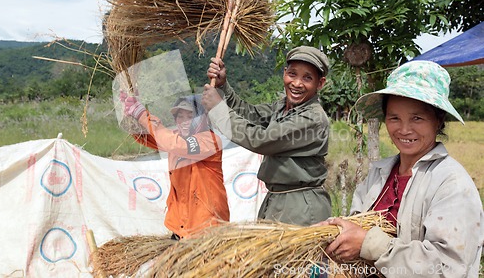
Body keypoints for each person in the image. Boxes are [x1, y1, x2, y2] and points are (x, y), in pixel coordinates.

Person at [321, 60, 483, 277]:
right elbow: (356, 227)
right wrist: (334, 233)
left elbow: (448, 267)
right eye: (394, 118)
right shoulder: (378, 175)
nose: (404, 129)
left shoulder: (451, 184)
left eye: (417, 118)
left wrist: (370, 244)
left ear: (438, 119)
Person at [202, 46, 332, 226]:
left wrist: (218, 109)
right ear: (284, 73)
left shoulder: (313, 118)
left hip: (300, 207)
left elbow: (261, 140)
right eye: (292, 74)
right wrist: (223, 85)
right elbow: (251, 114)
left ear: (320, 83)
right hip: (277, 199)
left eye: (307, 78)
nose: (297, 83)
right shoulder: (283, 107)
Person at [120, 92, 230, 239]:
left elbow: (174, 143)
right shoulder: (177, 137)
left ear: (201, 120)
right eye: (180, 116)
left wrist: (141, 113)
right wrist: (131, 116)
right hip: (181, 226)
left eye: (190, 117)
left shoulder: (210, 140)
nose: (184, 121)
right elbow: (150, 137)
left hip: (207, 226)